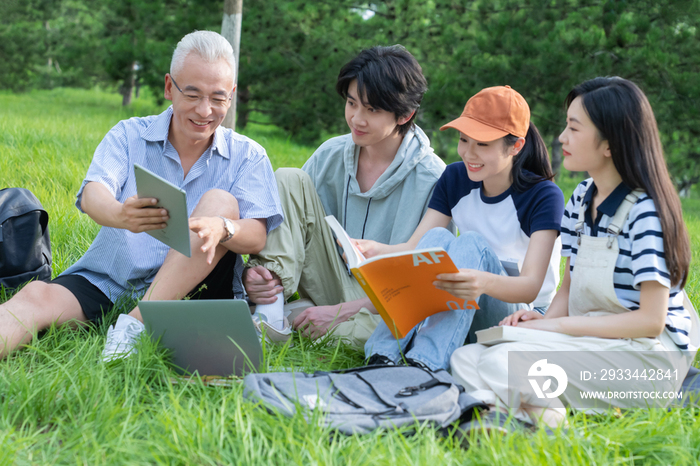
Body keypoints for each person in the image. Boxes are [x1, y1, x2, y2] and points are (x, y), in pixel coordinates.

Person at [0, 31, 283, 361]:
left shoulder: (249, 155)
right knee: (36, 297)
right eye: (192, 94)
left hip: (197, 292)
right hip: (112, 281)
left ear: (231, 96)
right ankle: (125, 323)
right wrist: (121, 215)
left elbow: (257, 235)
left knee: (221, 203)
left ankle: (135, 326)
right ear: (168, 87)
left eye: (218, 98)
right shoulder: (129, 134)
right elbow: (94, 194)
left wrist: (224, 228)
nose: (205, 110)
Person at [450, 77, 698, 428]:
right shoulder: (581, 198)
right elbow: (570, 285)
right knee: (466, 357)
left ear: (609, 144)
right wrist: (544, 322)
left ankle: (544, 425)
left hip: (646, 359)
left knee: (499, 363)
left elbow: (650, 321)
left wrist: (558, 329)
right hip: (592, 340)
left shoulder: (645, 212)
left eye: (573, 128)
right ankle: (518, 416)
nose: (562, 138)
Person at [243, 45, 447, 347]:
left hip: (385, 306)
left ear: (405, 115)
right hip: (331, 282)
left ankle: (302, 321)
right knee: (288, 178)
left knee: (389, 335)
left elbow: (424, 286)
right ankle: (271, 312)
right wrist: (258, 278)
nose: (357, 118)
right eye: (352, 103)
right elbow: (288, 231)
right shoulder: (330, 154)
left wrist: (341, 312)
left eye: (372, 110)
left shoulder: (434, 178)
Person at [359, 85, 565, 371]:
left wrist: (481, 281)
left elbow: (530, 288)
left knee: (470, 243)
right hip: (464, 307)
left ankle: (426, 364)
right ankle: (381, 355)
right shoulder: (456, 177)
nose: (469, 153)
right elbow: (415, 246)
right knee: (437, 237)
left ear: (515, 146)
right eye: (464, 140)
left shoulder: (544, 196)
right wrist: (373, 251)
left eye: (482, 144)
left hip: (521, 317)